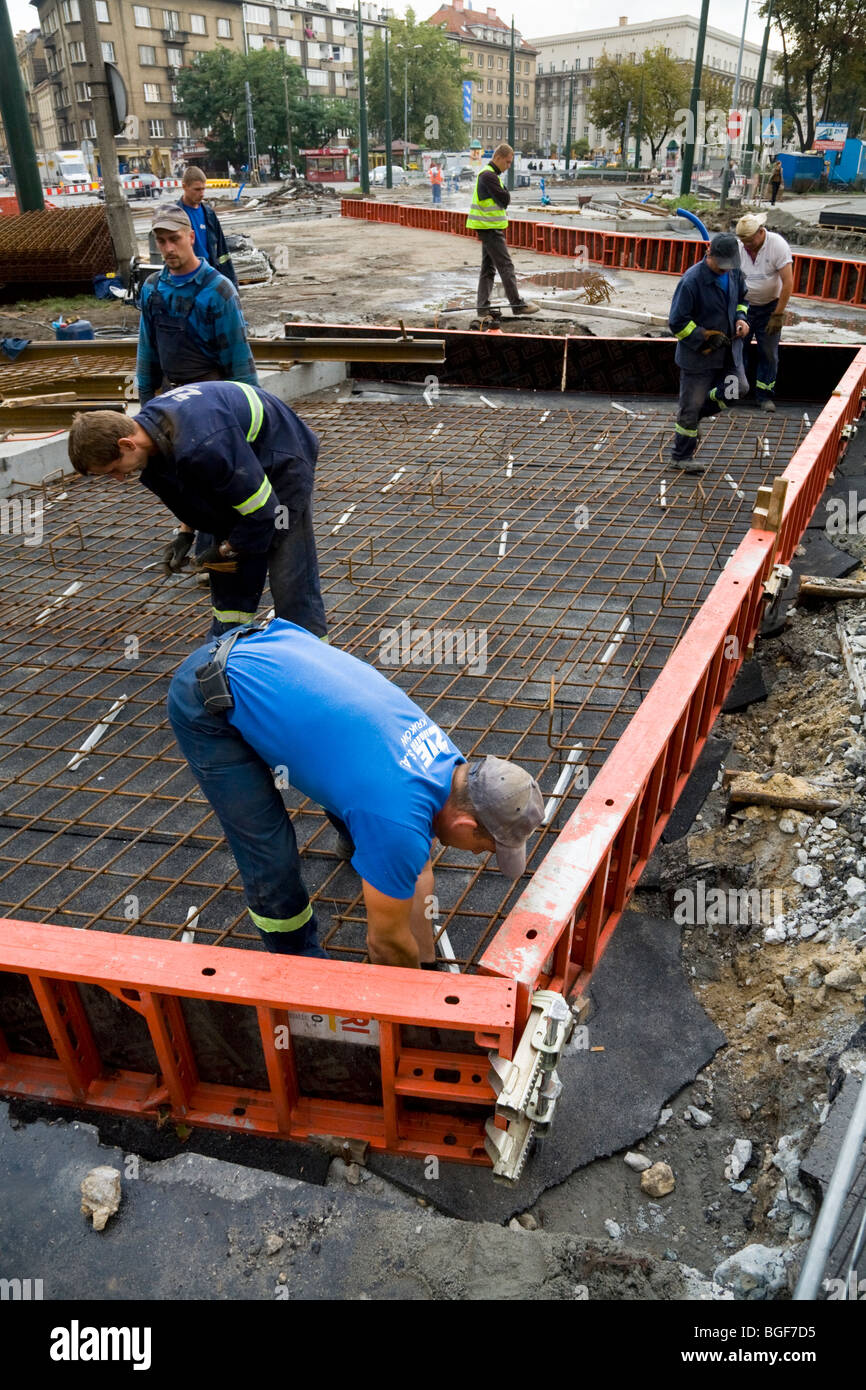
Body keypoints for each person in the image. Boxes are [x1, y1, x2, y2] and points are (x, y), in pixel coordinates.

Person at [166, 618, 545, 964]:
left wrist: (427, 964)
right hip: (210, 693)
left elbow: (418, 869)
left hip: (273, 651)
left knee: (380, 821)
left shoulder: (450, 764)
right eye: (486, 847)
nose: (480, 853)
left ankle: (364, 850)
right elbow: (385, 945)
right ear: (464, 823)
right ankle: (298, 958)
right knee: (270, 853)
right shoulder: (398, 819)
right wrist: (418, 1008)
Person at [66, 382, 327, 641]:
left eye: (113, 469)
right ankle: (228, 643)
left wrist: (228, 548)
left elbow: (263, 512)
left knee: (289, 570)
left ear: (127, 444)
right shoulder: (152, 435)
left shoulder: (204, 445)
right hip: (235, 462)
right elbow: (193, 490)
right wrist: (185, 534)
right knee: (229, 573)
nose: (119, 479)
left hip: (281, 460)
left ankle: (311, 654)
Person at [136, 207, 258, 406]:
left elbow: (240, 364)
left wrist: (251, 415)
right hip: (170, 400)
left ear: (191, 237)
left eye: (175, 239)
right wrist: (146, 407)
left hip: (211, 403)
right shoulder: (152, 288)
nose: (168, 248)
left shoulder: (218, 291)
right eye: (161, 241)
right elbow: (146, 354)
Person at [668, 233, 751, 472]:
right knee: (690, 405)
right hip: (698, 357)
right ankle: (680, 457)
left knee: (738, 389)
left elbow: (743, 299)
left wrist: (741, 318)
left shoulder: (734, 272)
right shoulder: (691, 281)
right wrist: (705, 337)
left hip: (728, 351)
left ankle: (697, 415)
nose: (725, 270)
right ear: (709, 254)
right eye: (721, 265)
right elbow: (677, 322)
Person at [466, 142, 539, 319]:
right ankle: (517, 304)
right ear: (497, 157)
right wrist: (505, 195)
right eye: (507, 162)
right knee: (506, 265)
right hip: (489, 228)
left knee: (488, 268)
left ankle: (483, 308)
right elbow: (505, 198)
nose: (508, 167)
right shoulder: (488, 176)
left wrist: (504, 195)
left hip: (488, 227)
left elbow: (503, 197)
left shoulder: (491, 176)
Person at [736, 211, 793, 413]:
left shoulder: (777, 245)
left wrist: (777, 315)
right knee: (737, 350)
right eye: (744, 241)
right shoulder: (739, 247)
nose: (747, 245)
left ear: (761, 233)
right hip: (744, 307)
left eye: (750, 241)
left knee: (768, 353)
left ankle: (764, 396)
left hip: (770, 307)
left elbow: (787, 284)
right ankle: (735, 393)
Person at [176, 165, 238, 287]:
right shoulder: (176, 215)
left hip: (209, 274)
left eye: (203, 189)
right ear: (184, 186)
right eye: (197, 189)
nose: (202, 194)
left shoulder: (209, 214)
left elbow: (222, 251)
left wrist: (231, 283)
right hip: (187, 277)